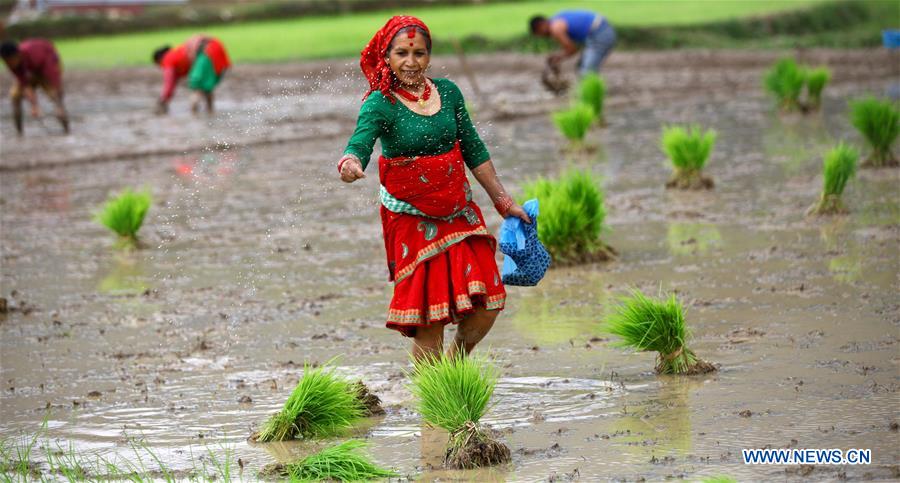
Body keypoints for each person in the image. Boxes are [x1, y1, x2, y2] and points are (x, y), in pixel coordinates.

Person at [338, 16, 531, 362]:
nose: (411, 62)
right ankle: (434, 402)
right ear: (386, 56)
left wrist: (504, 203)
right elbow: (360, 142)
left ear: (429, 56)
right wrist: (351, 162)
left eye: (419, 53)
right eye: (401, 53)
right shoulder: (380, 102)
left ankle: (456, 363)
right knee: (431, 317)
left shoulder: (449, 92)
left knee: (488, 301)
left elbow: (473, 148)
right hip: (413, 221)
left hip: (459, 212)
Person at [0, 39, 69, 135]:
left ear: (17, 55)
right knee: (15, 96)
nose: (8, 64)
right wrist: (34, 106)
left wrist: (58, 103)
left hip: (46, 70)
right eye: (6, 61)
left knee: (55, 97)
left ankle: (66, 130)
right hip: (30, 73)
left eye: (10, 61)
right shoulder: (11, 63)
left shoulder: (36, 55)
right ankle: (19, 133)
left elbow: (54, 77)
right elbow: (24, 84)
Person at [152, 35, 230, 115]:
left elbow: (169, 83)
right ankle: (210, 111)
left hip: (206, 51)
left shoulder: (167, 60)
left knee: (196, 85)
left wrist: (163, 100)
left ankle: (194, 114)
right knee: (206, 87)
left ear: (159, 59)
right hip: (216, 47)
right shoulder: (176, 52)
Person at [529, 10, 617, 77]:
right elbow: (573, 45)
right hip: (597, 32)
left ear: (541, 25)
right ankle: (592, 89)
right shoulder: (556, 19)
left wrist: (557, 58)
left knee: (586, 71)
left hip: (600, 34)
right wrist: (558, 56)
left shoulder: (555, 28)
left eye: (540, 33)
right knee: (581, 67)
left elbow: (572, 49)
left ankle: (593, 95)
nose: (543, 36)